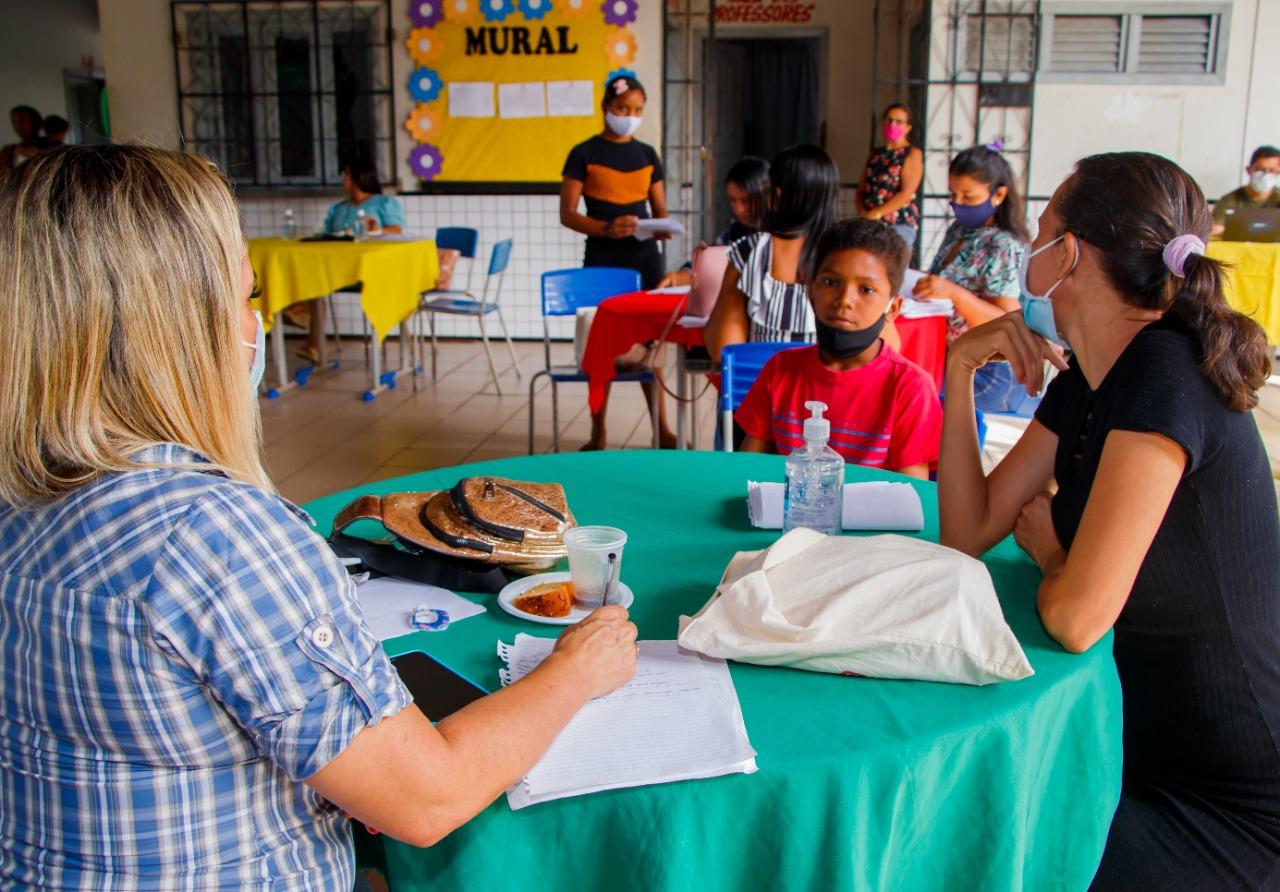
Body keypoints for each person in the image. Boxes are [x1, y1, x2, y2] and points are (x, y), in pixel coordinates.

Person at [0, 145, 638, 889]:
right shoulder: (217, 535)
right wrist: (573, 671)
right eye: (245, 300)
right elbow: (426, 798)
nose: (256, 325)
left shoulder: (21, 503)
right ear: (172, 332)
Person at [936, 151, 1279, 890]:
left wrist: (1057, 555)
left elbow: (1077, 618)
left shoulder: (1166, 372)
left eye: (1046, 228)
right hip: (1141, 741)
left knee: (984, 843)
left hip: (1231, 798)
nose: (1031, 246)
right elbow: (967, 534)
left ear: (1072, 254)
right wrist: (960, 369)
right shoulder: (1095, 375)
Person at [737, 218, 941, 478]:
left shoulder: (909, 388)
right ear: (811, 289)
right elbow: (745, 473)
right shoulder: (780, 370)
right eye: (831, 282)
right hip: (791, 515)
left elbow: (911, 498)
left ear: (893, 307)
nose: (844, 300)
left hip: (874, 518)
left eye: (866, 289)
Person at [561, 74, 674, 449]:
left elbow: (660, 210)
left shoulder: (647, 154)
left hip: (645, 260)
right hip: (603, 258)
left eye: (638, 110)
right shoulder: (583, 153)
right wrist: (607, 228)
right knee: (603, 344)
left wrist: (659, 228)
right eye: (623, 109)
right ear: (606, 107)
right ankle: (598, 432)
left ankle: (662, 428)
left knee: (651, 346)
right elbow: (568, 214)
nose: (630, 116)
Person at [914, 142, 1034, 415]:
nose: (958, 204)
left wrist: (954, 293)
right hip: (949, 356)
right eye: (953, 195)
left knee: (920, 406)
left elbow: (1007, 321)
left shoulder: (1002, 245)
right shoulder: (960, 230)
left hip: (988, 370)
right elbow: (944, 278)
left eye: (968, 197)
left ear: (998, 194)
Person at [704, 143, 839, 362]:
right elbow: (887, 346)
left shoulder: (750, 252)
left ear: (776, 195)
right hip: (824, 395)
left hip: (759, 391)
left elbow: (723, 348)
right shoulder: (847, 254)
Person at [292, 159, 406, 363]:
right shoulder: (339, 208)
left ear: (359, 178)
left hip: (368, 270)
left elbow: (397, 230)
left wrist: (375, 230)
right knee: (308, 283)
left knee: (314, 286)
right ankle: (314, 340)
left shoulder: (383, 203)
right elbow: (326, 234)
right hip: (334, 269)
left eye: (346, 175)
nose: (343, 180)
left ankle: (312, 338)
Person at [657, 155, 771, 288]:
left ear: (766, 196)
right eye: (732, 200)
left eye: (746, 201)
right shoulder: (732, 234)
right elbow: (702, 269)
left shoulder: (782, 236)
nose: (739, 209)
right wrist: (681, 276)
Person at [857, 103, 924, 249]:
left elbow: (906, 192)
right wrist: (863, 213)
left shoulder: (912, 154)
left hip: (897, 223)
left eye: (899, 122)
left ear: (908, 128)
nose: (892, 124)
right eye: (889, 120)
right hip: (870, 223)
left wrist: (878, 212)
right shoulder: (876, 154)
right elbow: (861, 188)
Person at [1211, 144, 1280, 237]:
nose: (1266, 175)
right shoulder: (1229, 200)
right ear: (1249, 170)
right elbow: (1215, 229)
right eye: (1260, 169)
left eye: (1271, 170)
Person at [0, 105, 46, 170]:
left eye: (23, 121)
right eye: (14, 122)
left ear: (34, 121)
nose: (18, 126)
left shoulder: (49, 146)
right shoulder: (9, 150)